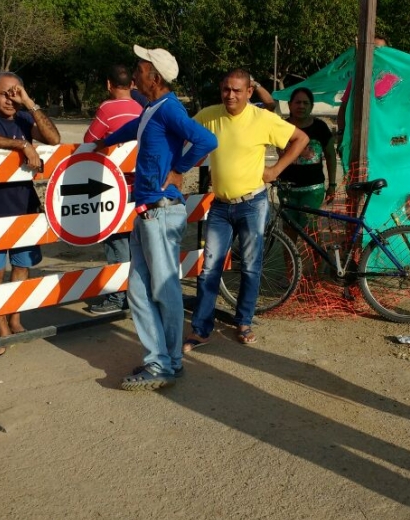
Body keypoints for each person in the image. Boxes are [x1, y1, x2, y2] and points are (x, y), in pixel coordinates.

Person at [93, 45, 217, 391]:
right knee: (139, 291)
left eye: (140, 68)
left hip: (160, 212)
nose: (134, 74)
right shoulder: (152, 109)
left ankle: (167, 362)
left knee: (163, 291)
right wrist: (101, 142)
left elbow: (207, 139)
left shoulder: (169, 109)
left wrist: (178, 170)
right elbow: (134, 129)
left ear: (155, 77)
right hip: (148, 212)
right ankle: (160, 359)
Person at [185, 69, 308, 350]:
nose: (231, 95)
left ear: (249, 92)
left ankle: (243, 321)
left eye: (237, 90)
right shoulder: (209, 115)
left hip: (253, 205)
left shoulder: (262, 118)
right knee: (208, 270)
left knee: (251, 268)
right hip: (220, 206)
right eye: (226, 89)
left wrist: (276, 169)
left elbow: (300, 139)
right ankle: (201, 329)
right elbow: (186, 136)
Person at [0, 72, 61, 358]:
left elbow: (53, 137)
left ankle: (15, 319)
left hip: (24, 206)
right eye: (4, 93)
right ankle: (1, 328)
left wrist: (29, 103)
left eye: (15, 92)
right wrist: (22, 145)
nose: (10, 99)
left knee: (22, 266)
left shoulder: (22, 117)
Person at [84, 65, 143, 315]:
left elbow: (89, 140)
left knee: (115, 240)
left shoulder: (107, 109)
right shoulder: (141, 108)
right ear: (132, 84)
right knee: (133, 241)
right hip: (138, 183)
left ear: (109, 85)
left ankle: (119, 296)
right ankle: (135, 293)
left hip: (116, 185)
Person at [278, 87, 339, 229]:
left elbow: (331, 156)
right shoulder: (281, 127)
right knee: (288, 230)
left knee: (310, 232)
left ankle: (311, 253)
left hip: (313, 190)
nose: (301, 106)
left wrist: (332, 186)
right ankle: (290, 253)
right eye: (298, 102)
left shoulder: (320, 127)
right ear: (289, 105)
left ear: (311, 106)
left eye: (306, 103)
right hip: (286, 189)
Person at [336, 36, 389, 137]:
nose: (375, 53)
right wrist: (341, 133)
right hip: (358, 137)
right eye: (372, 49)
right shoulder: (357, 78)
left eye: (379, 49)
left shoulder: (395, 80)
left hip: (383, 138)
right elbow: (344, 108)